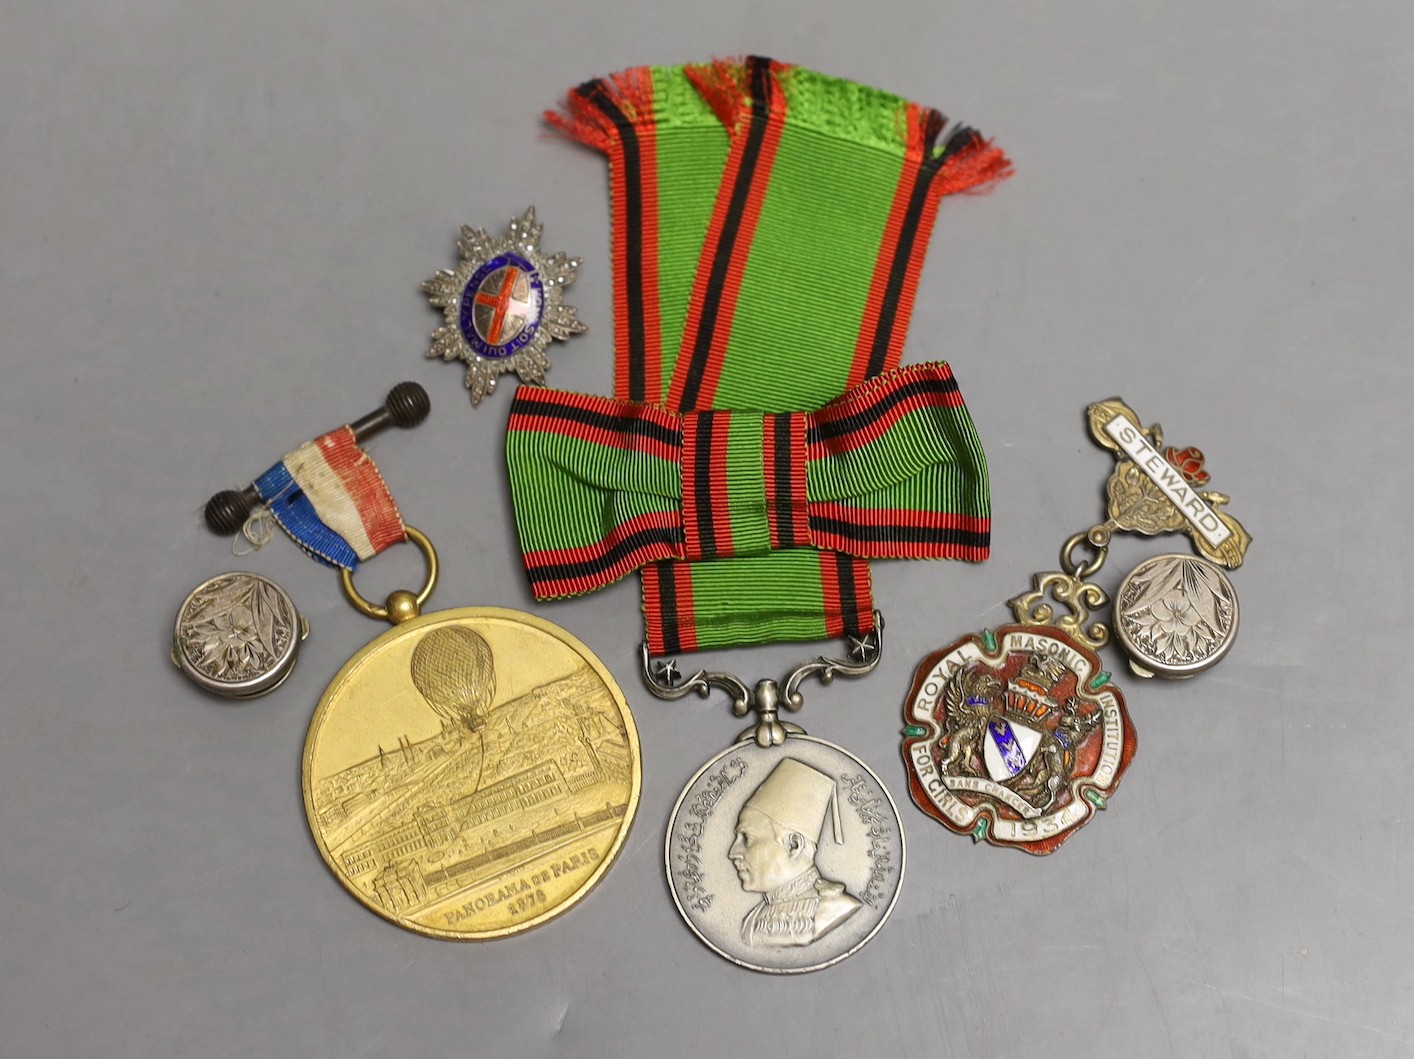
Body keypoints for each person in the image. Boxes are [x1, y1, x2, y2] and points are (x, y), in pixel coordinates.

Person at [728, 758, 861, 947]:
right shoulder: (751, 920)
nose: (733, 853)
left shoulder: (835, 908)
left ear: (794, 845)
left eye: (747, 838)